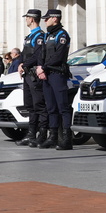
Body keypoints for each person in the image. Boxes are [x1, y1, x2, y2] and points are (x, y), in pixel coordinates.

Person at [38, 9, 73, 150]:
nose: (45, 21)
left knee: (63, 107)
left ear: (55, 18)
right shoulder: (47, 35)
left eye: (47, 19)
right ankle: (52, 137)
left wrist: (44, 67)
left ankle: (66, 138)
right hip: (46, 74)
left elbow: (59, 56)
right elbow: (42, 53)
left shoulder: (62, 35)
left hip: (57, 74)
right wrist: (41, 67)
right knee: (51, 107)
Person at [18, 9, 47, 147]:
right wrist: (20, 65)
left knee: (39, 105)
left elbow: (37, 55)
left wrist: (24, 65)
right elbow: (24, 54)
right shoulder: (29, 37)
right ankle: (31, 134)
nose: (26, 20)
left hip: (34, 75)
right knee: (30, 105)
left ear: (32, 19)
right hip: (27, 74)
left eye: (27, 18)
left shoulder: (39, 36)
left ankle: (41, 135)